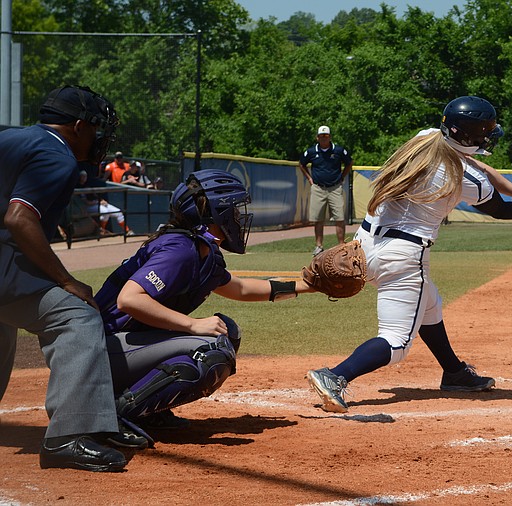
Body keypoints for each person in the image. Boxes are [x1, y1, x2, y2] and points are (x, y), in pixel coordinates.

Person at [306, 96, 512, 413]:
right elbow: (501, 210)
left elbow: (481, 167)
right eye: (485, 130)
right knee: (396, 342)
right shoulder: (467, 179)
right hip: (402, 258)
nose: (489, 134)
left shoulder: (426, 138)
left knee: (429, 302)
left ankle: (454, 372)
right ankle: (335, 375)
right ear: (468, 136)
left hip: (363, 245)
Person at [94, 169, 320, 433]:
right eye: (233, 209)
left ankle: (149, 413)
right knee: (212, 350)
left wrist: (309, 286)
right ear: (215, 213)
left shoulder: (202, 251)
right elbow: (129, 300)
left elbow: (243, 288)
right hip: (98, 353)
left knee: (226, 331)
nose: (238, 216)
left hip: (121, 347)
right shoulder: (180, 249)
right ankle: (116, 419)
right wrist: (192, 325)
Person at [0, 85, 145, 472]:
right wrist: (66, 280)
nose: (98, 138)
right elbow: (19, 217)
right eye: (95, 129)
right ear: (78, 126)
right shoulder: (56, 155)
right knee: (76, 316)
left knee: (4, 320)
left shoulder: (10, 138)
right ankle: (70, 436)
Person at [298, 126, 353, 256]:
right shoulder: (312, 151)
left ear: (330, 136)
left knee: (339, 217)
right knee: (318, 218)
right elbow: (301, 164)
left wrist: (342, 177)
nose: (324, 138)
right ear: (317, 137)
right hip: (318, 187)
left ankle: (341, 246)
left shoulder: (338, 150)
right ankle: (319, 246)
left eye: (326, 136)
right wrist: (310, 179)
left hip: (335, 187)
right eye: (321, 136)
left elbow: (349, 163)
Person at [77, 170, 134, 236]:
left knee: (118, 212)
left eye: (85, 176)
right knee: (105, 211)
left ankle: (127, 231)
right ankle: (102, 231)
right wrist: (98, 202)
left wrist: (101, 200)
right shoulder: (78, 186)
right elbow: (85, 202)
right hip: (86, 207)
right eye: (82, 176)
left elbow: (95, 196)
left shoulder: (88, 184)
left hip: (96, 204)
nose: (84, 178)